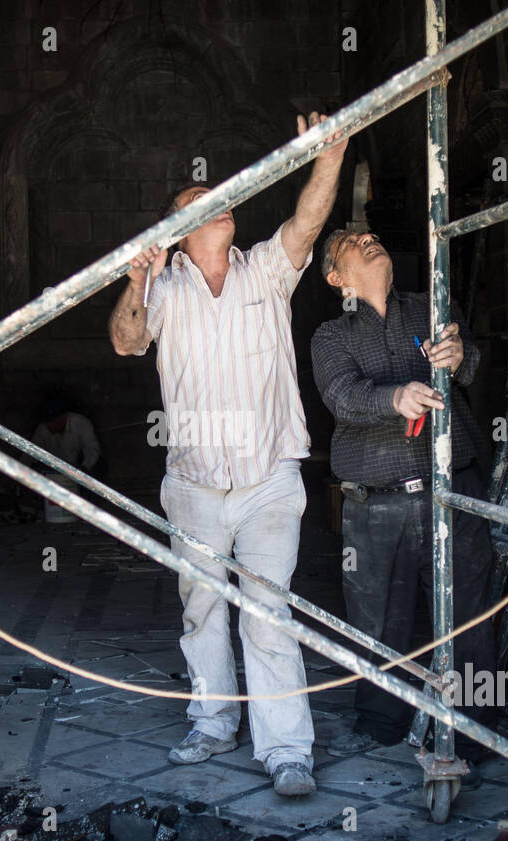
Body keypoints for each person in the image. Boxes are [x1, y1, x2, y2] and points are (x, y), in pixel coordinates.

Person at [108, 112, 347, 797]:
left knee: (268, 612)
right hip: (193, 484)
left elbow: (306, 224)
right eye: (197, 204)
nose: (219, 206)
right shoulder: (164, 289)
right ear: (179, 231)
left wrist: (327, 157)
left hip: (270, 476)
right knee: (203, 611)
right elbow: (126, 340)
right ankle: (214, 721)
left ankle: (285, 749)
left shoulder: (267, 271)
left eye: (222, 197)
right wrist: (136, 280)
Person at [310, 228, 497, 781]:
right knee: (377, 615)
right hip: (377, 503)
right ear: (335, 277)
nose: (369, 240)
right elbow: (342, 394)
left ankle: (471, 726)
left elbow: (474, 368)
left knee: (467, 613)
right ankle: (382, 717)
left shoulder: (433, 307)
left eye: (372, 235)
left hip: (454, 492)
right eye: (351, 242)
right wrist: (395, 396)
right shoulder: (330, 336)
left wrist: (461, 355)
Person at [32, 398, 101, 473]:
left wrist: (84, 468)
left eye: (54, 420)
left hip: (79, 469)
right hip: (52, 471)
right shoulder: (42, 429)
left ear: (64, 416)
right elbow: (31, 454)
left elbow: (92, 449)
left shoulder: (80, 423)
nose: (50, 425)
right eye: (48, 421)